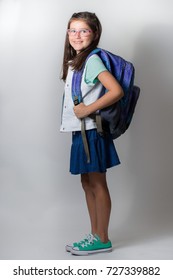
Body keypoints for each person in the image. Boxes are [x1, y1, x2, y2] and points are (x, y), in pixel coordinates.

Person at [60, 11, 124, 256]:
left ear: (94, 34)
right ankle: (95, 233)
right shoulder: (76, 61)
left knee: (96, 183)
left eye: (83, 30)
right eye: (72, 30)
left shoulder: (92, 60)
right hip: (81, 131)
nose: (77, 36)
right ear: (67, 34)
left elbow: (115, 90)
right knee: (87, 182)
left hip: (92, 132)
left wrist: (87, 109)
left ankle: (102, 238)